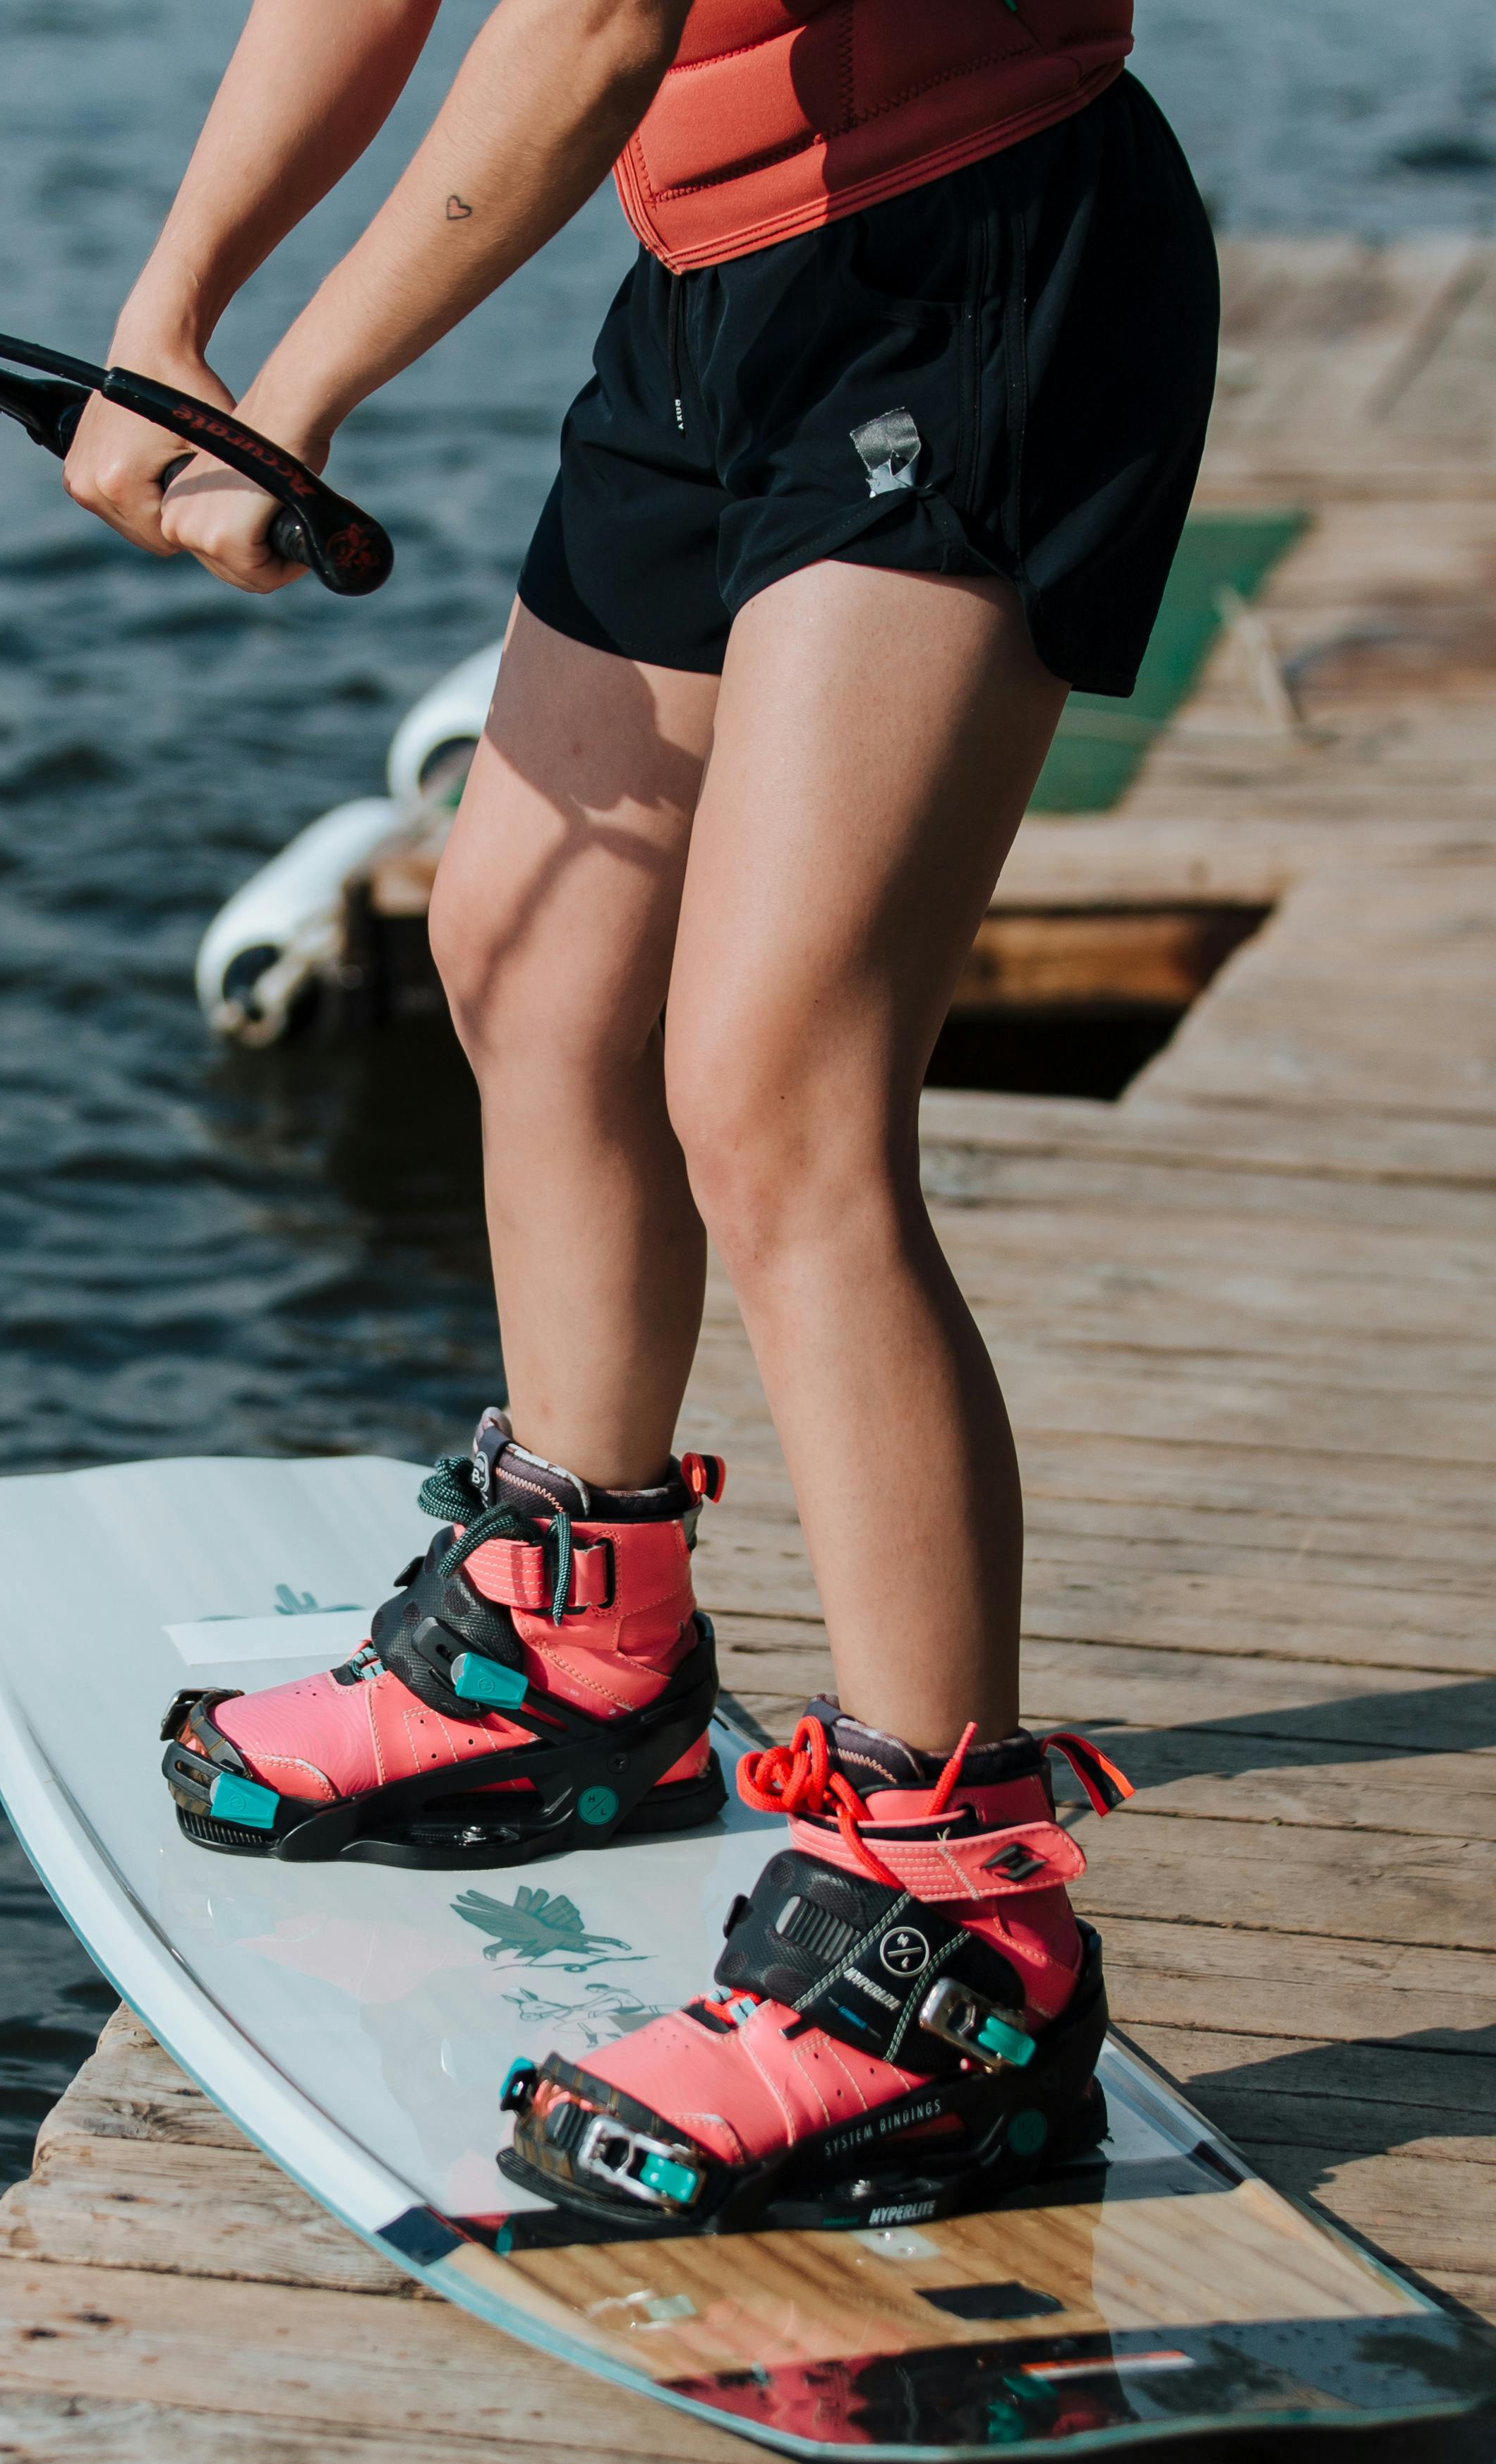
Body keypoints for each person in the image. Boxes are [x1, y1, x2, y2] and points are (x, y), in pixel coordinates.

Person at [81, 0, 1209, 2231]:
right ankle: (570, 1639)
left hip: (964, 255)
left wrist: (292, 390)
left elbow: (591, 20)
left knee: (776, 1089)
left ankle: (956, 1949)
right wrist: (170, 319)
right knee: (527, 951)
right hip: (712, 293)